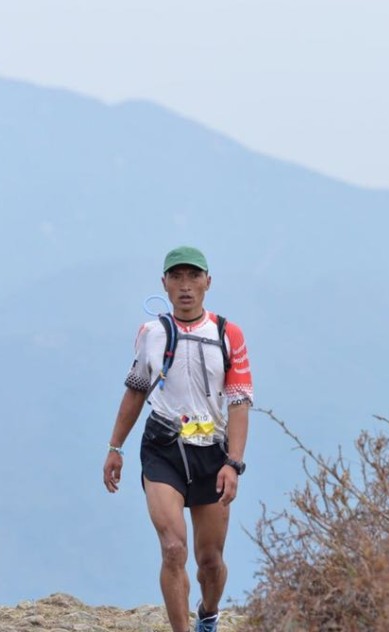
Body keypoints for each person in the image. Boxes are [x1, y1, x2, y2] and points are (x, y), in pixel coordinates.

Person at [103, 246, 253, 632]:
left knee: (210, 562)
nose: (185, 286)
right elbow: (136, 390)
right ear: (164, 284)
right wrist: (115, 447)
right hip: (163, 449)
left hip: (212, 453)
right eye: (177, 277)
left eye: (193, 277)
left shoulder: (228, 334)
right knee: (173, 549)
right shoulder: (151, 334)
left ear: (208, 282)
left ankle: (208, 612)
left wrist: (233, 463)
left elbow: (239, 403)